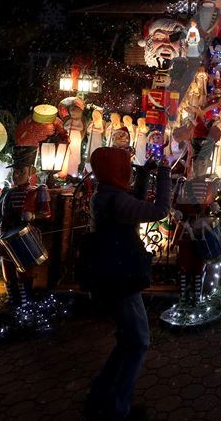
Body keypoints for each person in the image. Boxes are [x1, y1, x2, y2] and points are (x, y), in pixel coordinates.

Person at [85, 147, 171, 419]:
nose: (128, 171)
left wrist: (145, 174)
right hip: (120, 277)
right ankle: (117, 408)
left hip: (108, 274)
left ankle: (99, 394)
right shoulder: (115, 202)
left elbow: (131, 201)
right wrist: (166, 174)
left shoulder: (106, 195)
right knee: (139, 341)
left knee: (127, 340)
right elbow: (159, 210)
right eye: (126, 167)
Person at [0, 162, 45, 306]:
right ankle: (12, 301)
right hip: (6, 236)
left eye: (21, 171)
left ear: (30, 173)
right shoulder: (6, 192)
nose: (16, 175)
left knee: (24, 271)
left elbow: (46, 213)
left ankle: (26, 303)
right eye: (15, 172)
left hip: (25, 238)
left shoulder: (38, 191)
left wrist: (33, 216)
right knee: (8, 271)